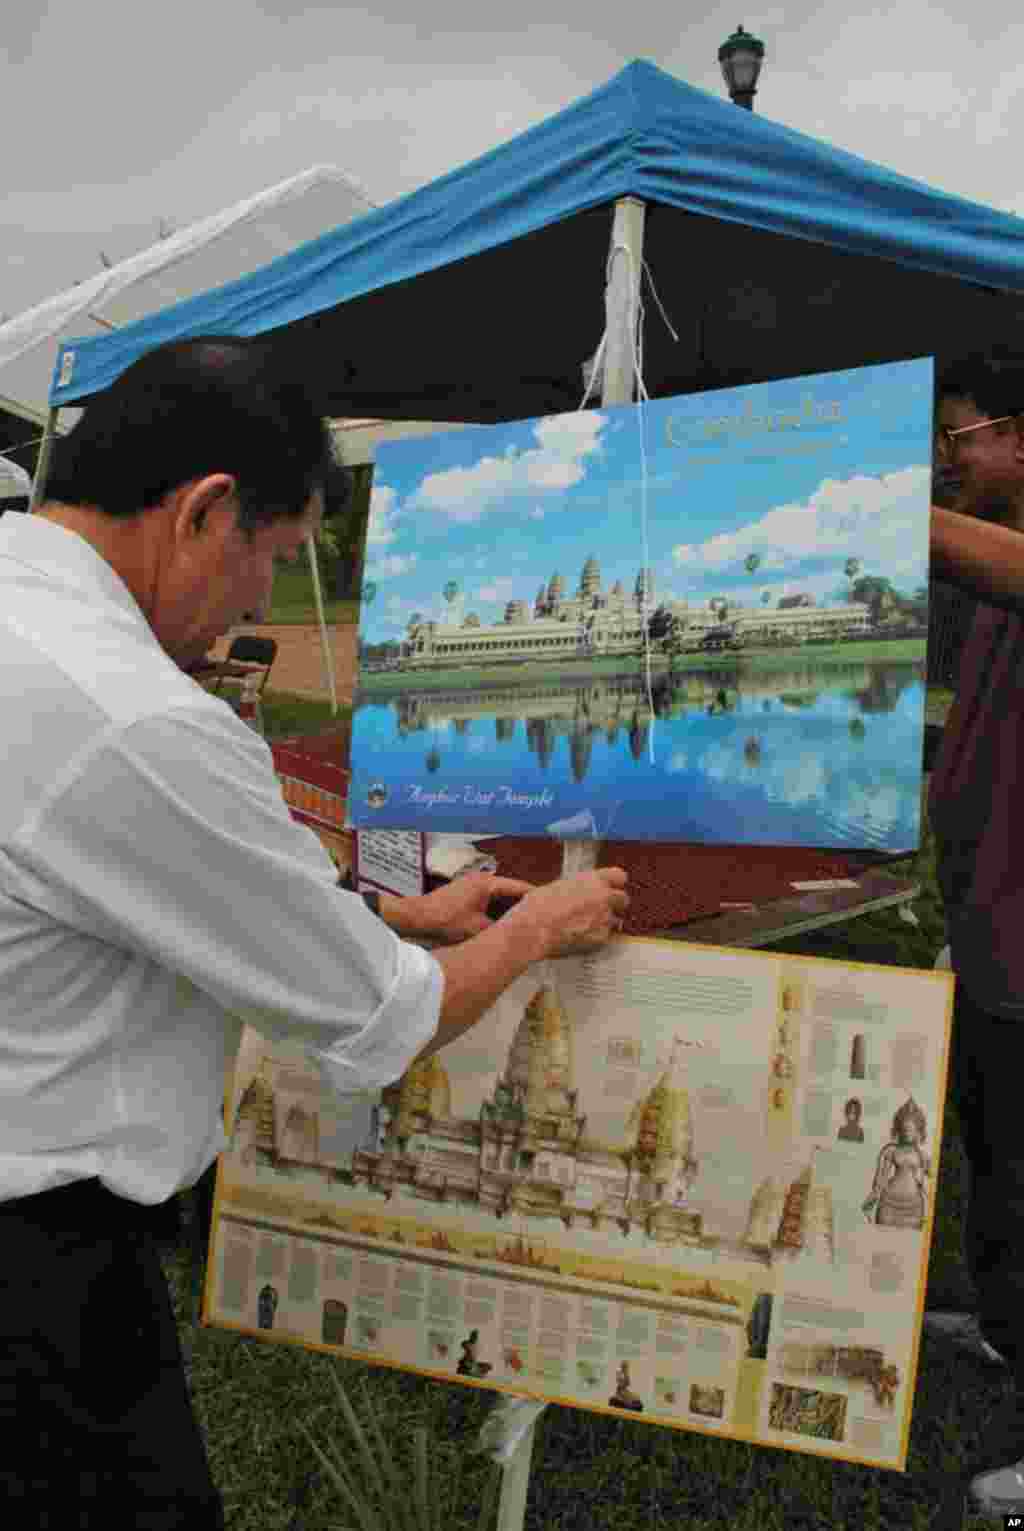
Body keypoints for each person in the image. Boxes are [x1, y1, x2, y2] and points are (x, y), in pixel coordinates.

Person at [0, 336, 629, 1529]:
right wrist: (536, 926)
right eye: (277, 565)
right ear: (206, 512)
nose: (263, 608)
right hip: (39, 1272)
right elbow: (386, 1019)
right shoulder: (132, 715)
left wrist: (389, 913)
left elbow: (115, 890)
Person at [925, 353, 1024, 1519]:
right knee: (994, 1165)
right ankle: (1005, 1328)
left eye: (964, 436)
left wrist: (872, 503)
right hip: (990, 930)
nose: (947, 460)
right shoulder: (982, 596)